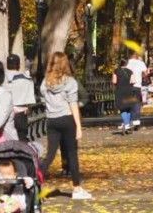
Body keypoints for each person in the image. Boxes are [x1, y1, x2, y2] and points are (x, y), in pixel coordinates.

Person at [39, 52, 92, 200]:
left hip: (52, 120)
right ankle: (76, 188)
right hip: (67, 119)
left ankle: (35, 181)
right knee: (72, 154)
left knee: (50, 154)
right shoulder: (70, 82)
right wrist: (79, 126)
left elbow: (43, 101)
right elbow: (73, 104)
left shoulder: (45, 83)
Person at [5, 55, 35, 143]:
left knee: (6, 139)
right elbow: (30, 99)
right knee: (22, 138)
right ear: (18, 65)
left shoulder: (1, 78)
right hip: (21, 112)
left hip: (5, 112)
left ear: (7, 64)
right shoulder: (27, 79)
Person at [112, 56, 141, 134]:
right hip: (129, 91)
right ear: (126, 63)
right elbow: (133, 81)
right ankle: (127, 124)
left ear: (120, 63)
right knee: (128, 108)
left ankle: (127, 124)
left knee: (122, 109)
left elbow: (114, 81)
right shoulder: (130, 71)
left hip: (120, 91)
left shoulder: (116, 71)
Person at [125, 52, 148, 128]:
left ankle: (130, 121)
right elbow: (145, 73)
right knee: (137, 103)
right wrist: (143, 76)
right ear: (137, 56)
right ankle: (136, 121)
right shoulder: (140, 63)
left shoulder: (127, 63)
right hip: (137, 85)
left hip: (128, 86)